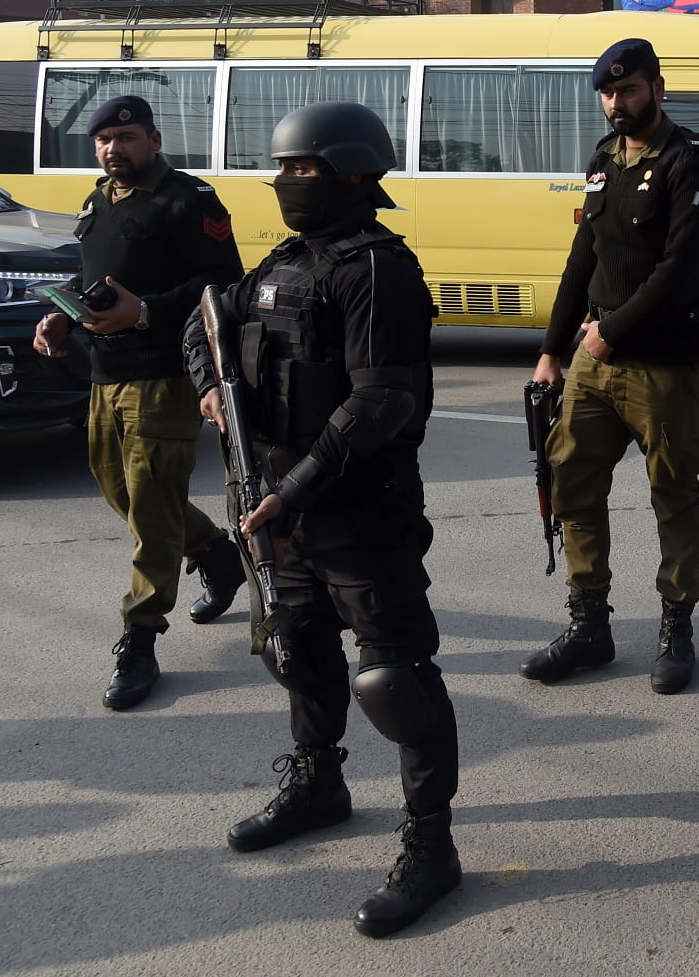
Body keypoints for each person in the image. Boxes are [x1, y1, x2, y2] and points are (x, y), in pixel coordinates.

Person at [182, 101, 462, 936]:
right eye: (282, 169)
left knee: (395, 678)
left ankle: (431, 844)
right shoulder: (282, 264)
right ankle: (319, 782)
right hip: (275, 504)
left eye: (300, 170)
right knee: (294, 648)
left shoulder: (377, 270)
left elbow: (383, 400)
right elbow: (206, 322)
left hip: (355, 510)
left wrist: (297, 486)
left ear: (349, 172)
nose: (283, 183)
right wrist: (207, 380)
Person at [519, 39, 699, 694]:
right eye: (609, 94)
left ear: (657, 89)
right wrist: (553, 350)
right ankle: (590, 626)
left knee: (673, 494)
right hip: (592, 360)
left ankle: (677, 626)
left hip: (662, 363)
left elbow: (680, 270)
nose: (617, 103)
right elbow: (583, 257)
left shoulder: (692, 164)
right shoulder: (605, 161)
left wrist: (609, 332)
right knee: (572, 483)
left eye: (629, 90)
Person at [31, 94, 246, 712]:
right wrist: (62, 315)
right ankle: (213, 552)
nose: (112, 149)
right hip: (105, 373)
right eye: (103, 140)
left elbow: (222, 284)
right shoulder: (98, 199)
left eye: (125, 138)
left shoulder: (189, 201)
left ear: (153, 140)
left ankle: (142, 633)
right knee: (121, 492)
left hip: (163, 374)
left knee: (150, 506)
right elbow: (93, 275)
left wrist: (146, 310)